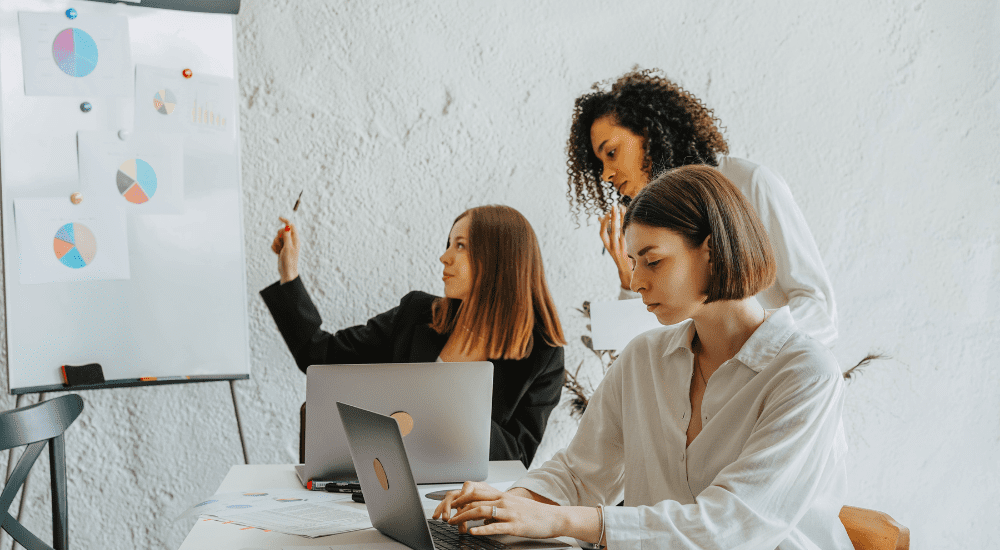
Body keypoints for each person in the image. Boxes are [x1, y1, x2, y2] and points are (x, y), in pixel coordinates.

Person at [434, 166, 853, 550]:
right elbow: (581, 473)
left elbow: (730, 527)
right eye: (633, 263)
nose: (635, 281)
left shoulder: (805, 374)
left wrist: (557, 520)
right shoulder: (643, 358)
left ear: (711, 250)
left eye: (652, 261)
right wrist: (507, 504)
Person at [260, 205, 566, 467]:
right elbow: (318, 355)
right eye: (449, 243)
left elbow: (517, 459)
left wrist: (449, 403)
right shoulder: (416, 314)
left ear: (500, 259)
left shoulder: (542, 354)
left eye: (460, 245)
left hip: (464, 501)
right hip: (387, 482)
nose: (444, 257)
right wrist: (289, 273)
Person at [566, 68, 838, 346]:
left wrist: (748, 352)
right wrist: (629, 274)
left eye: (611, 153)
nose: (605, 175)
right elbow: (644, 347)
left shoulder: (750, 184)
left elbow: (817, 308)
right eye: (599, 164)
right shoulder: (650, 224)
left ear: (649, 134)